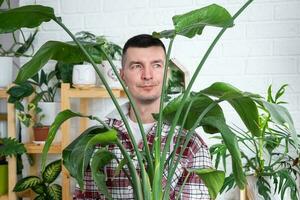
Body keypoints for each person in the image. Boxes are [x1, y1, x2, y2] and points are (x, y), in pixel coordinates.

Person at [74, 34, 212, 200]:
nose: (147, 75)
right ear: (122, 75)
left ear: (166, 73)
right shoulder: (98, 139)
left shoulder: (189, 143)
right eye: (137, 66)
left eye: (156, 65)